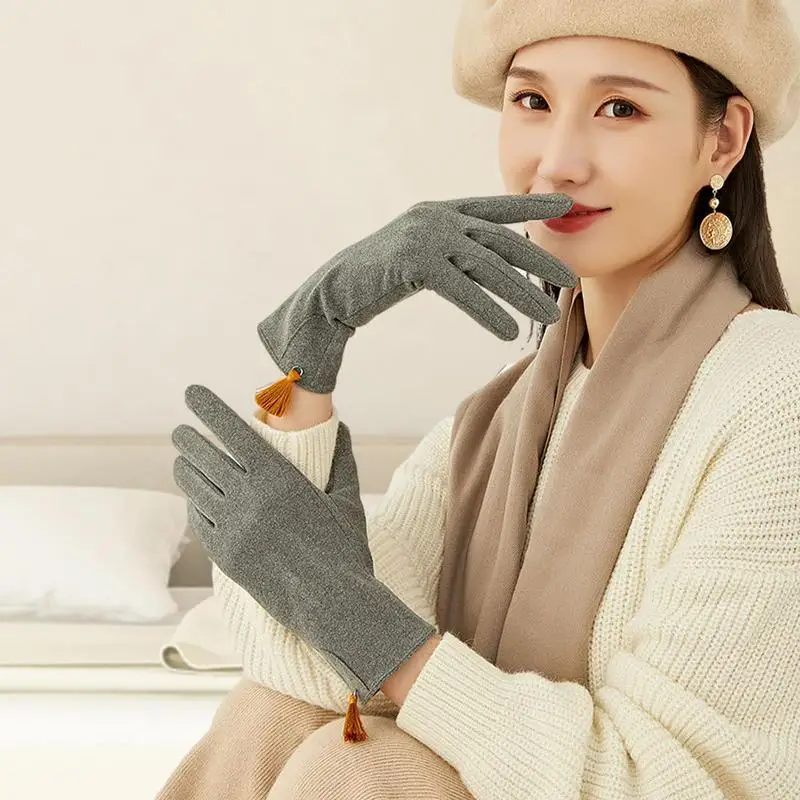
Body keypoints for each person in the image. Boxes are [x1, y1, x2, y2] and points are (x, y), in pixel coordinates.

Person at [159, 1, 800, 798]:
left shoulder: (776, 396)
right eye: (532, 101)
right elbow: (309, 670)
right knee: (271, 715)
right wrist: (309, 351)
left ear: (723, 140)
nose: (558, 163)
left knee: (358, 766)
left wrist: (361, 620)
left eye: (619, 109)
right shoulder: (501, 418)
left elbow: (662, 781)